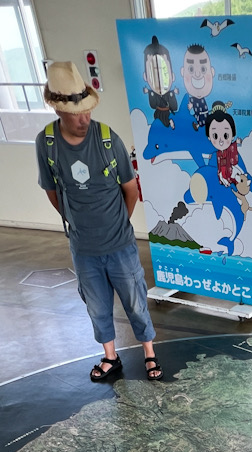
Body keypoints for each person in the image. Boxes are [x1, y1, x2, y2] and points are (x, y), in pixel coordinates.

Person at [35, 61, 163, 382]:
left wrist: (119, 222)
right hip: (83, 248)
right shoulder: (47, 143)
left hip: (120, 244)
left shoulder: (108, 140)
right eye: (76, 113)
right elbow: (52, 190)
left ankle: (149, 352)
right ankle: (110, 357)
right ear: (58, 110)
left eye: (87, 110)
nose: (84, 118)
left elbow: (130, 189)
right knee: (96, 305)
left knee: (135, 300)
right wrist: (75, 220)